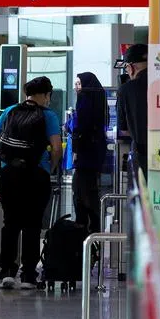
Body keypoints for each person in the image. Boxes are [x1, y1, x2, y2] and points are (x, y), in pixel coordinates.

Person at [0, 77, 63, 290]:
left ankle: (7, 273)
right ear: (46, 95)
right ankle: (28, 275)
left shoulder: (10, 111)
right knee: (32, 224)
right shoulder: (49, 115)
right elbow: (56, 148)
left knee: (10, 223)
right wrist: (52, 167)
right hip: (36, 175)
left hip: (9, 174)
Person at [72, 72, 108, 234]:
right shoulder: (100, 99)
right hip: (96, 152)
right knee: (91, 191)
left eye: (79, 84)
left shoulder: (84, 99)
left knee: (80, 193)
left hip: (85, 153)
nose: (76, 87)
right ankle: (94, 230)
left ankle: (82, 232)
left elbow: (81, 127)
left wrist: (75, 150)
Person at [116, 44, 149, 178]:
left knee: (142, 197)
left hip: (141, 156)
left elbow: (123, 128)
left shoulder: (125, 90)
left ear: (131, 67)